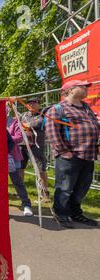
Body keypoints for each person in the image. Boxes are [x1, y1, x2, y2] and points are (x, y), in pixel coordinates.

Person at [46, 80, 99, 228]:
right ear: (70, 90)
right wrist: (64, 152)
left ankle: (76, 213)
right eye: (83, 86)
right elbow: (52, 133)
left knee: (82, 187)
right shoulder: (57, 109)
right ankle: (61, 213)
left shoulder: (86, 108)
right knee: (65, 188)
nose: (86, 89)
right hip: (69, 156)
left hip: (88, 154)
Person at [19, 97, 50, 201]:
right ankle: (20, 191)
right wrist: (22, 126)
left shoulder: (43, 114)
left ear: (39, 104)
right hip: (22, 145)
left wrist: (25, 126)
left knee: (40, 170)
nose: (31, 105)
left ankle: (45, 193)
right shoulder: (24, 115)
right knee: (20, 168)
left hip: (36, 146)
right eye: (29, 103)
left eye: (33, 103)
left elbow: (37, 124)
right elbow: (18, 126)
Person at [7, 105, 33, 217]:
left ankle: (26, 204)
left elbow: (19, 137)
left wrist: (3, 138)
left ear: (8, 111)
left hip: (13, 156)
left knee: (17, 181)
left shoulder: (14, 122)